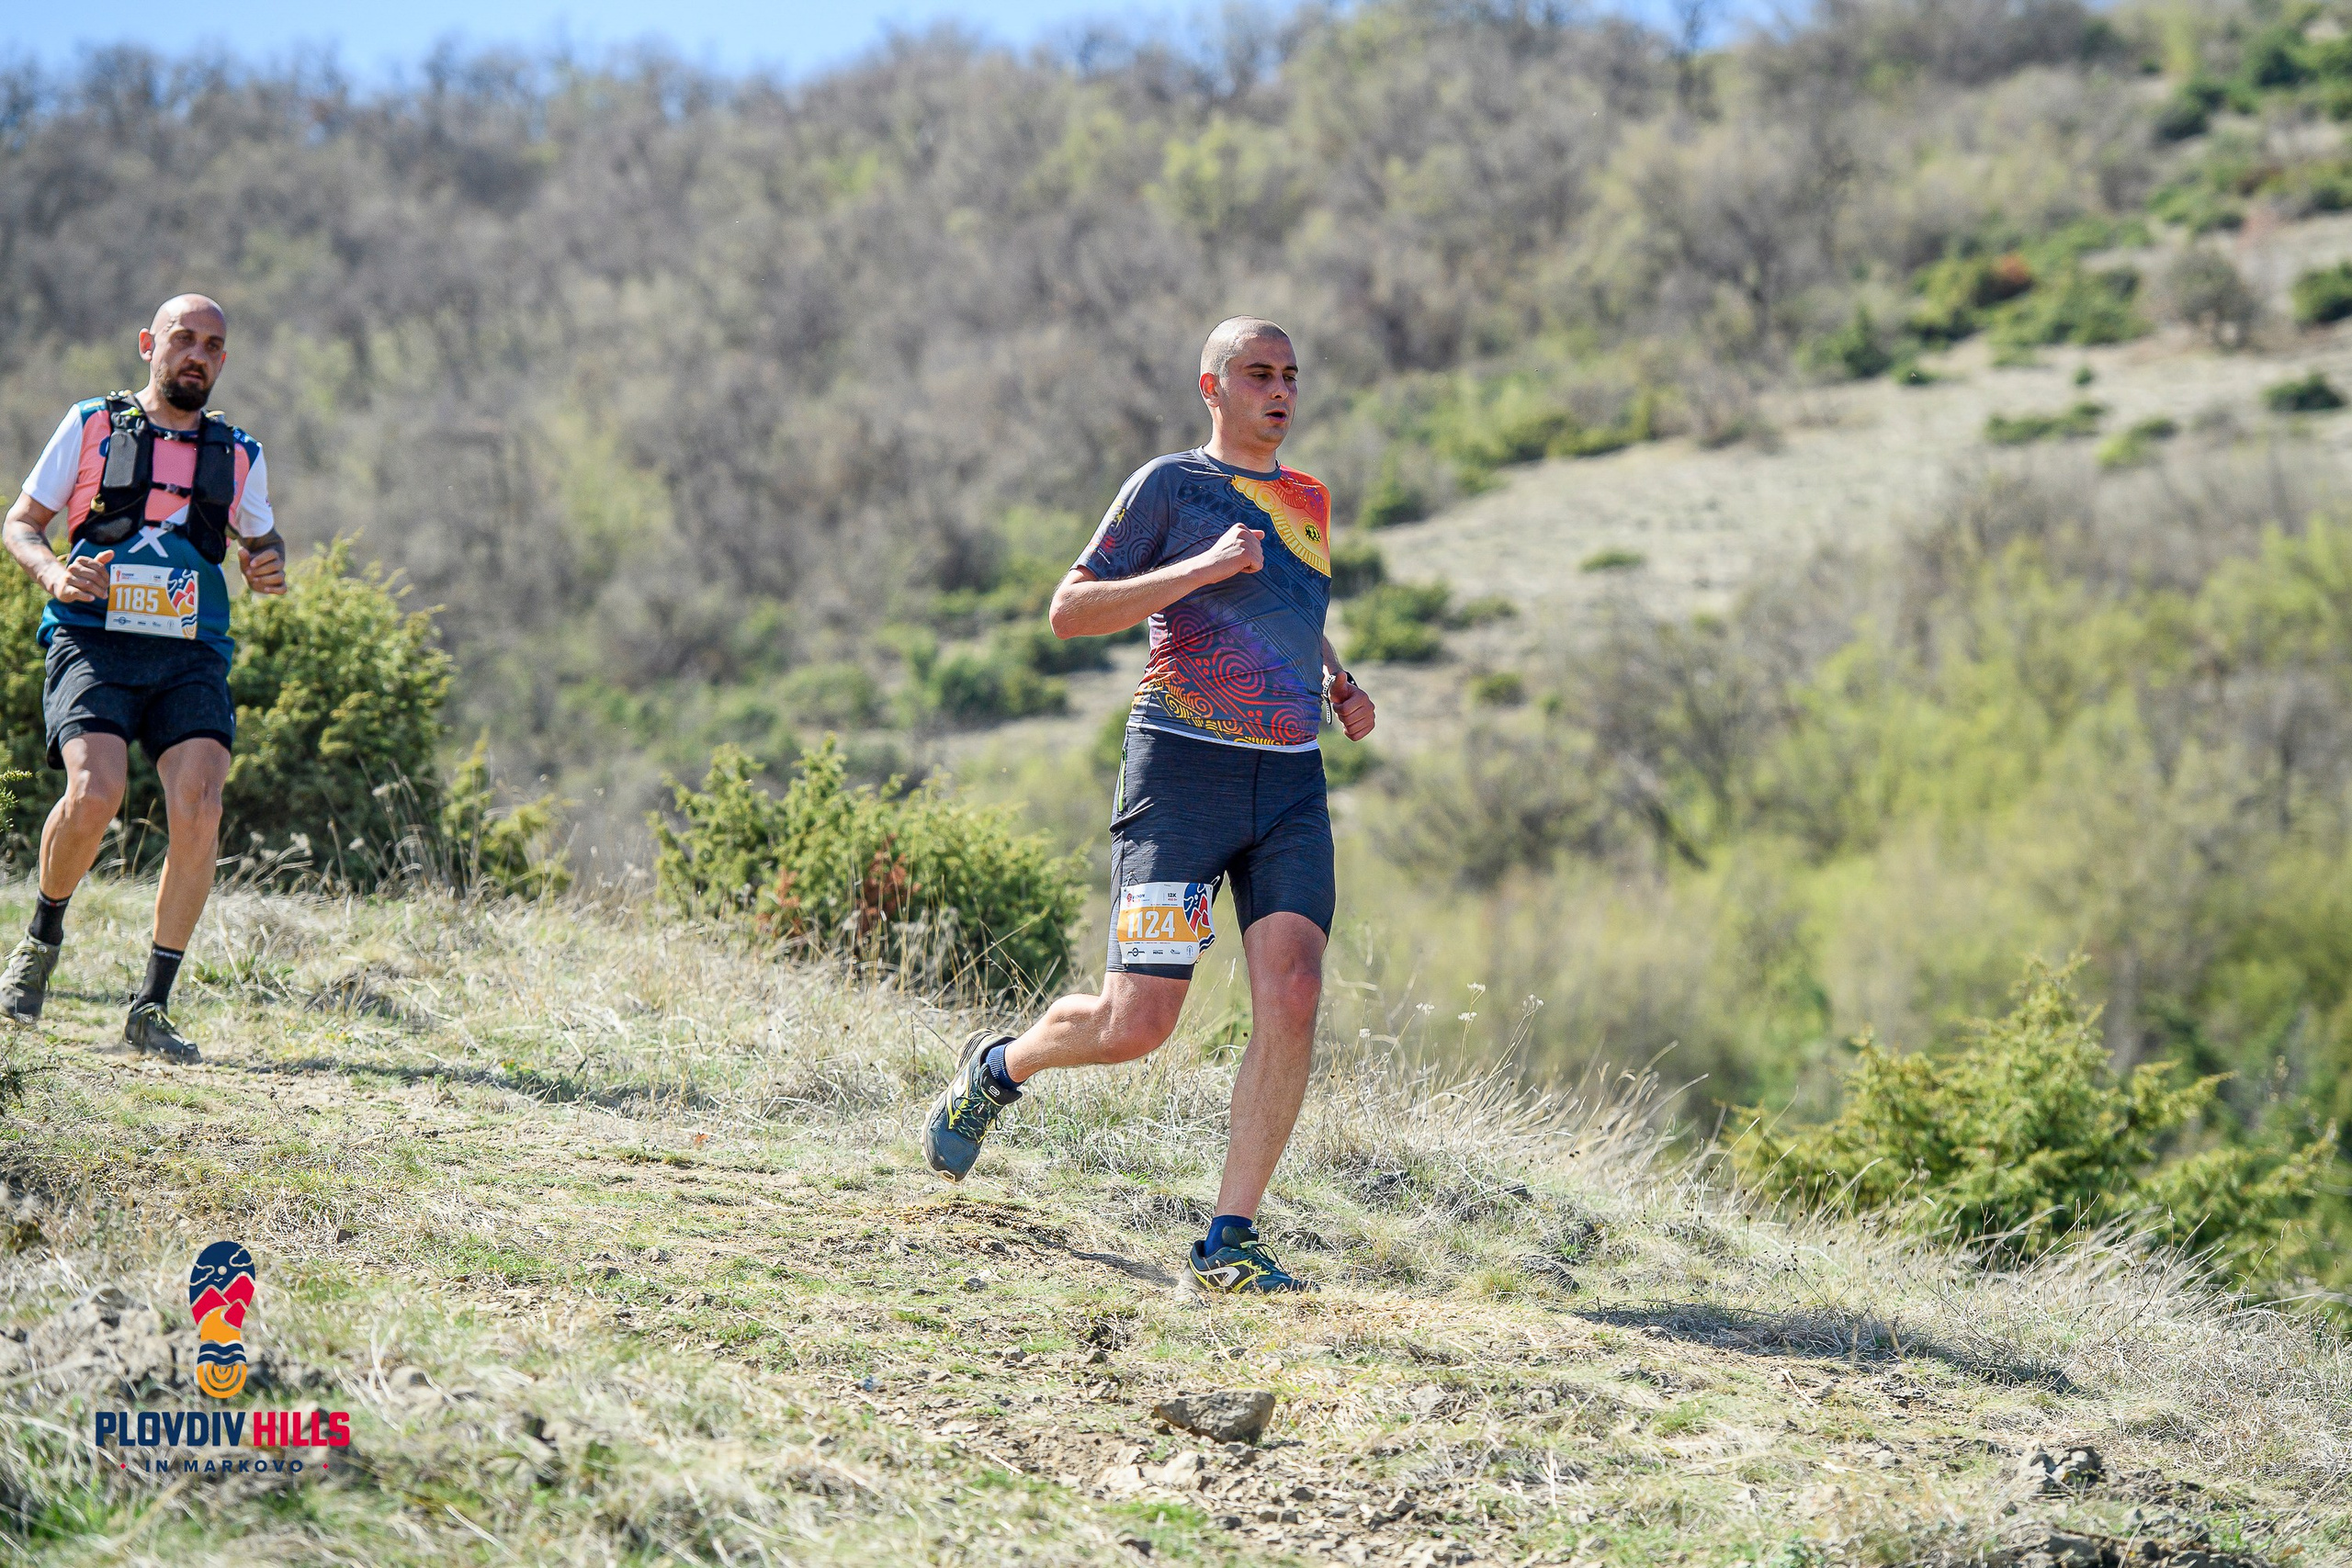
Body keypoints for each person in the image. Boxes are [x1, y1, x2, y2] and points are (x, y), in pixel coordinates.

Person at [922, 316, 1374, 1294]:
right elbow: (1070, 609)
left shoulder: (1307, 497)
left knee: (1293, 991)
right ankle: (1001, 1068)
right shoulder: (1169, 487)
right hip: (1181, 771)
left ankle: (1229, 1240)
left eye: (1291, 374)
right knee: (1139, 1023)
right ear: (1212, 388)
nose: (1280, 390)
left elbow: (1292, 610)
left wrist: (1338, 679)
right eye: (1258, 373)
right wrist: (1204, 566)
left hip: (1290, 776)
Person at [0, 295, 288, 1061]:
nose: (197, 353)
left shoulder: (239, 452)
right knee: (96, 794)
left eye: (213, 345)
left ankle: (151, 1006)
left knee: (199, 805)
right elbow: (20, 522)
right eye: (183, 339)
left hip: (191, 652)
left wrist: (267, 564)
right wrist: (57, 574)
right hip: (92, 638)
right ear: (148, 345)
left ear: (223, 361)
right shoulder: (92, 423)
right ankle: (40, 938)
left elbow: (261, 537)